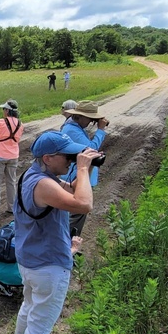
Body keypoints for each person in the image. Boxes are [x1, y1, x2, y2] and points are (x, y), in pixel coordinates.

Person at [10, 131, 98, 334]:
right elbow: (83, 203)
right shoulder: (45, 184)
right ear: (48, 158)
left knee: (29, 306)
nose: (71, 159)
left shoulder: (33, 174)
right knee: (41, 321)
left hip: (30, 259)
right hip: (48, 264)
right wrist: (82, 169)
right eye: (67, 155)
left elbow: (71, 190)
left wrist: (83, 167)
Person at [59, 100, 109, 237]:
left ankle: (69, 243)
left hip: (78, 175)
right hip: (76, 175)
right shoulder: (71, 130)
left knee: (76, 213)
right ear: (79, 116)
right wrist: (101, 130)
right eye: (90, 119)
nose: (91, 123)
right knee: (77, 211)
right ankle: (68, 244)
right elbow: (91, 149)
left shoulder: (74, 127)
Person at [0, 99, 23, 215]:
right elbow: (17, 139)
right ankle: (11, 206)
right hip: (13, 155)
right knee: (11, 181)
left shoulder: (0, 122)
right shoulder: (20, 124)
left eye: (4, 109)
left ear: (7, 110)